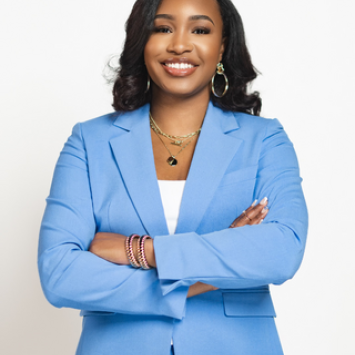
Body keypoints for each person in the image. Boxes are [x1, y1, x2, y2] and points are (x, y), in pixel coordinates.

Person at [38, 0, 308, 354]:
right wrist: (205, 272)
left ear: (223, 45)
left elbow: (281, 250)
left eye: (200, 30)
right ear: (141, 40)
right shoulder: (90, 142)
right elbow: (59, 274)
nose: (179, 44)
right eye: (163, 28)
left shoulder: (264, 140)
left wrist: (142, 250)